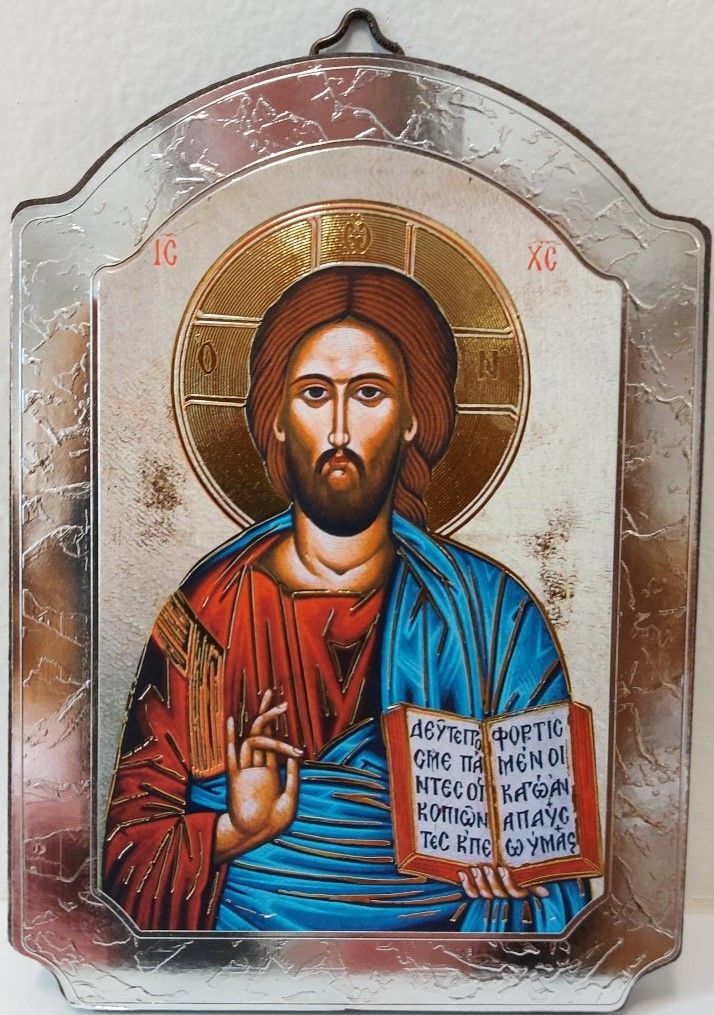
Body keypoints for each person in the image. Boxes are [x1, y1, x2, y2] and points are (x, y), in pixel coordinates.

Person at [103, 264, 591, 932]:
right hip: (241, 966)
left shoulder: (495, 617)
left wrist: (518, 871)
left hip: (447, 971)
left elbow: (553, 862)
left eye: (368, 393)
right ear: (276, 418)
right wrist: (237, 831)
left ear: (414, 416)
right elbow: (126, 851)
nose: (338, 430)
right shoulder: (208, 613)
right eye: (313, 393)